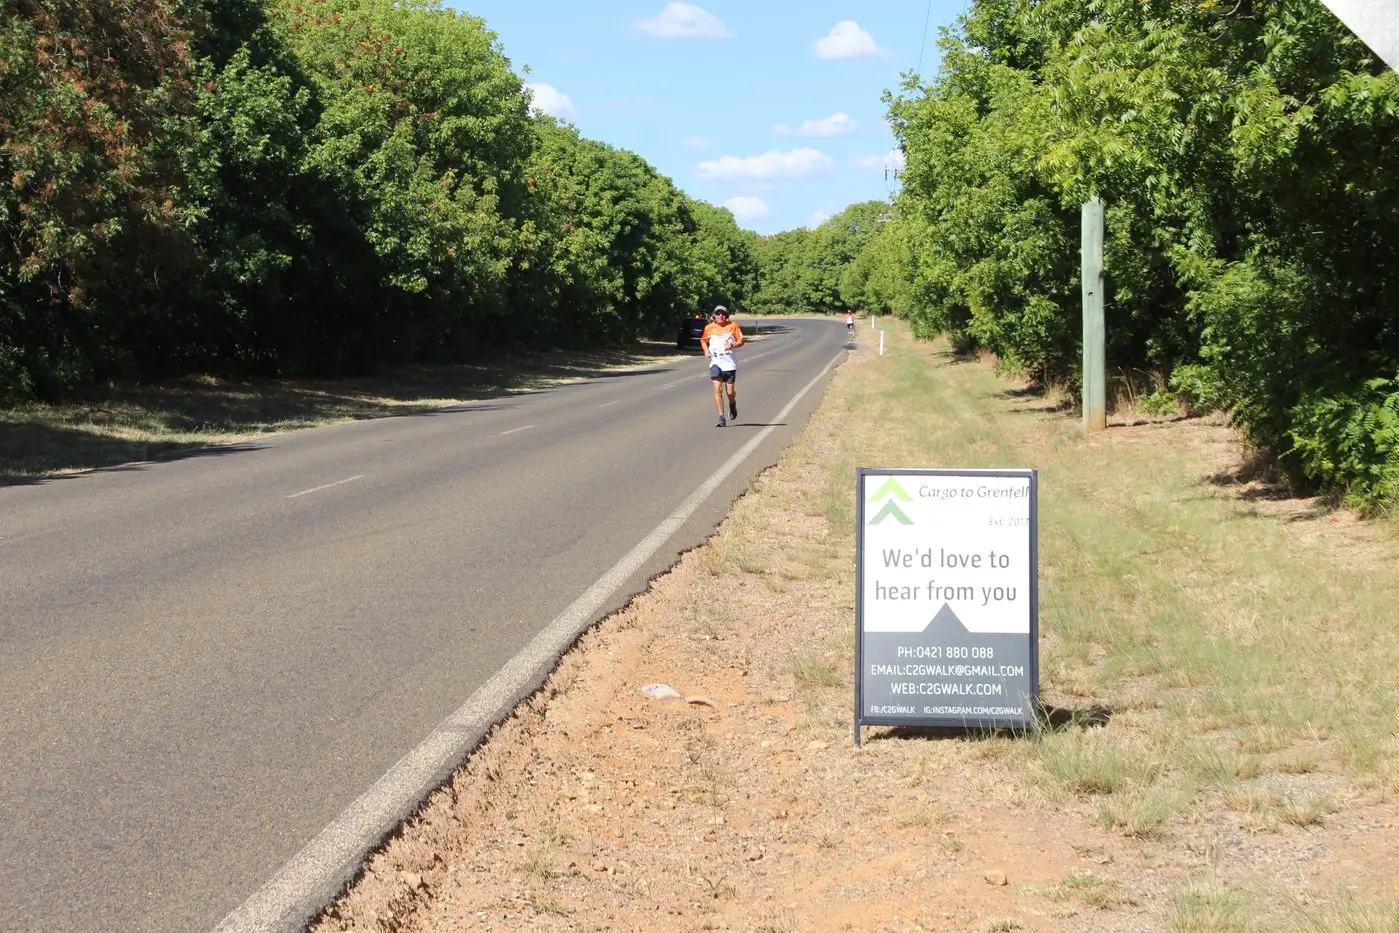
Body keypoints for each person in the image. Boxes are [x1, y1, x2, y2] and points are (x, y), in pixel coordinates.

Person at [702, 305, 744, 427]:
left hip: (729, 362)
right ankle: (721, 417)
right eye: (718, 314)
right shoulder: (709, 327)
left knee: (729, 392)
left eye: (723, 314)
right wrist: (706, 351)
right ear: (714, 315)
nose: (720, 316)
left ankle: (732, 404)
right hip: (715, 361)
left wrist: (733, 345)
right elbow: (703, 340)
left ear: (726, 316)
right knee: (717, 390)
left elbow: (741, 341)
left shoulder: (733, 326)